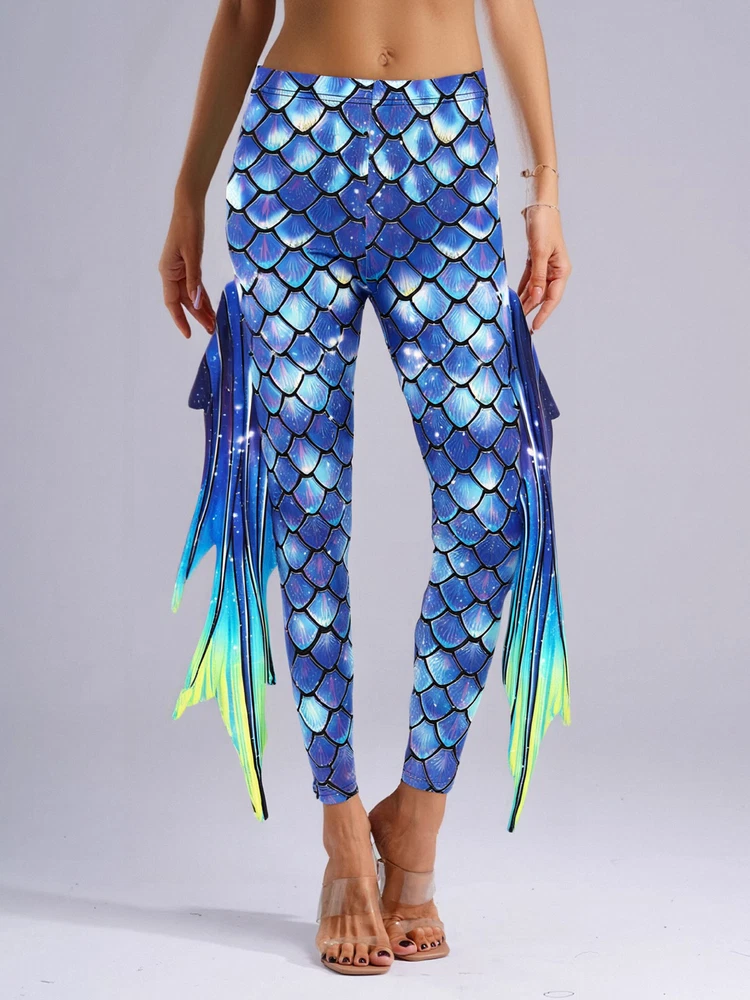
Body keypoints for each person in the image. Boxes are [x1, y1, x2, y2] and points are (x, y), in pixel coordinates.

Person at [160, 0, 572, 976]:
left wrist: (544, 190)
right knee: (306, 511)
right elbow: (243, 13)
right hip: (291, 165)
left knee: (491, 506)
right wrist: (187, 194)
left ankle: (416, 816)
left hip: (447, 158)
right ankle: (342, 822)